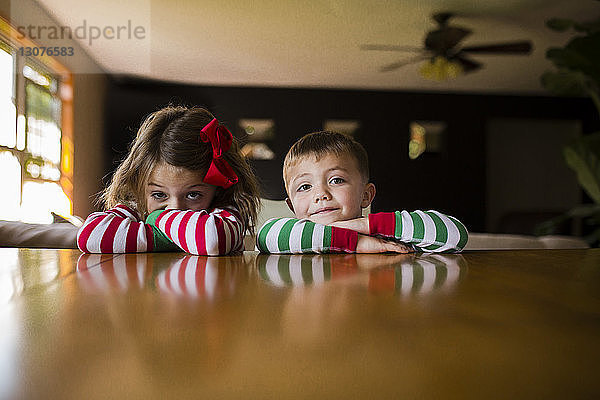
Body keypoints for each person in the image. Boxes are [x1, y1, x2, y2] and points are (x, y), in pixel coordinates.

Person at [77, 106, 260, 255]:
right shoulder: (137, 209)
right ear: (140, 186)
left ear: (217, 188)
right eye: (159, 194)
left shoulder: (226, 215)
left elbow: (211, 239)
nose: (175, 208)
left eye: (193, 194)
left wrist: (156, 219)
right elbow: (89, 235)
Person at [256, 131, 468, 254]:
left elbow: (455, 235)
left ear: (366, 195)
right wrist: (355, 242)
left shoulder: (387, 238)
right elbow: (265, 236)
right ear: (291, 205)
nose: (320, 194)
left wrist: (364, 226)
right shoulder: (290, 236)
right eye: (304, 187)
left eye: (336, 180)